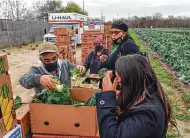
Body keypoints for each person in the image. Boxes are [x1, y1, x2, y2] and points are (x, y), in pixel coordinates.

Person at [96, 54, 173, 138]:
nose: (118, 85)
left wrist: (107, 97)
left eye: (119, 83)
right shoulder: (146, 94)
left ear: (130, 83)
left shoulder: (146, 115)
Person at [19, 42, 85, 94]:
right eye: (47, 60)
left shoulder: (65, 64)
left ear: (57, 56)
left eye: (54, 59)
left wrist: (81, 69)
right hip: (47, 106)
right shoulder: (37, 69)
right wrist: (39, 78)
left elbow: (79, 72)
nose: (51, 62)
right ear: (41, 60)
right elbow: (23, 80)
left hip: (65, 102)